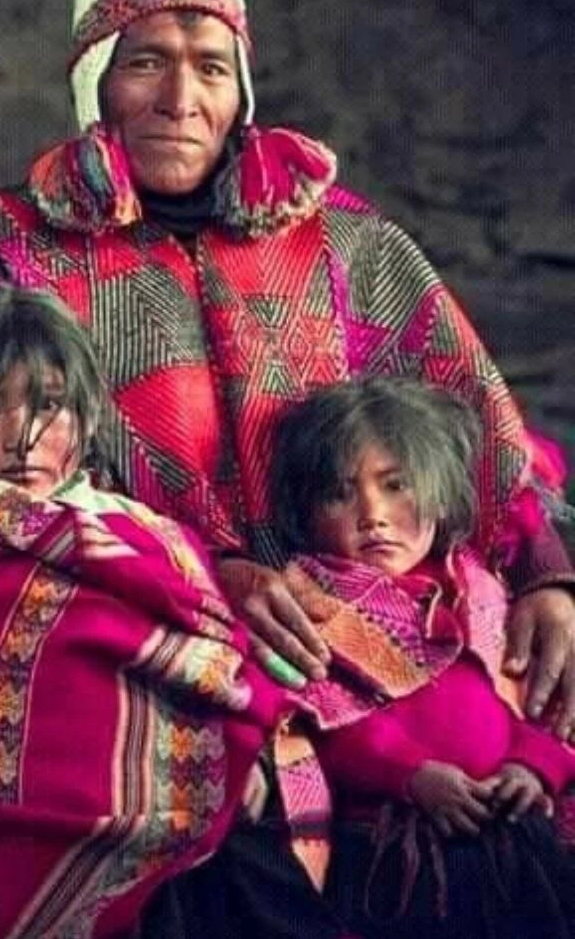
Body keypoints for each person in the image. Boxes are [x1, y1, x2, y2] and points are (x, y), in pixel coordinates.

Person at [0, 0, 575, 920]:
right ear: (94, 77)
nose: (180, 96)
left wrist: (550, 576)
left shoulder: (349, 245)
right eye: (144, 60)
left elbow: (478, 422)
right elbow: (17, 473)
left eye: (209, 63)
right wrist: (218, 577)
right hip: (160, 647)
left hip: (391, 664)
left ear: (242, 82)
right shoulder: (21, 257)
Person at [0, 288, 284, 938]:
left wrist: (237, 747)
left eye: (50, 405)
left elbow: (219, 659)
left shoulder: (146, 532)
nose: (25, 436)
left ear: (87, 413)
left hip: (186, 841)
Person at [267, 378, 575, 938]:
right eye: (341, 494)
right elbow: (325, 724)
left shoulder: (479, 591)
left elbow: (532, 705)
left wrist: (533, 768)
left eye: (396, 485)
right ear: (307, 513)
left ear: (438, 492)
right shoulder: (313, 600)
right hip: (395, 848)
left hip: (511, 835)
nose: (373, 514)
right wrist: (412, 776)